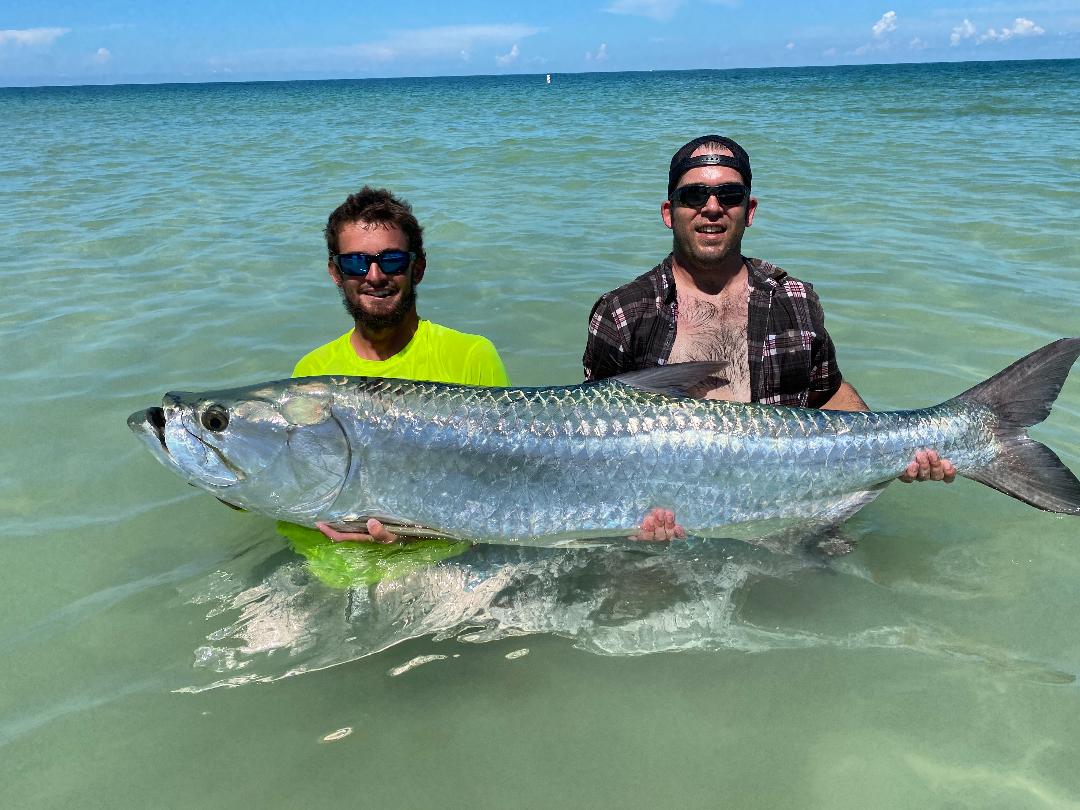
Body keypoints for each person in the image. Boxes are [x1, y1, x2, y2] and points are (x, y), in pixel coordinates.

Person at [285, 187, 679, 554]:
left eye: (391, 259)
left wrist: (414, 535)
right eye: (356, 262)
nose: (374, 275)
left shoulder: (472, 355)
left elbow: (509, 489)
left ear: (417, 268)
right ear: (336, 273)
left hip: (444, 570)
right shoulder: (313, 374)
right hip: (336, 567)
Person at [583, 135, 955, 488]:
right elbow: (591, 441)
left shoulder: (795, 300)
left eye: (729, 195)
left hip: (793, 506)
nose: (712, 208)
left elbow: (827, 396)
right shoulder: (623, 313)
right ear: (669, 212)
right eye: (694, 195)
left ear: (749, 211)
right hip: (668, 516)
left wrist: (900, 450)